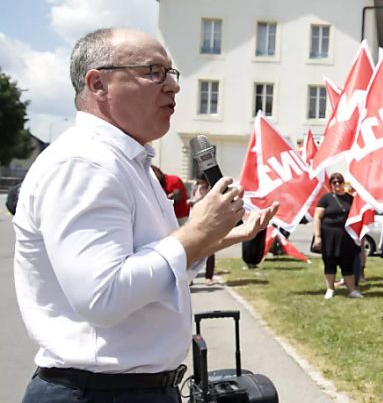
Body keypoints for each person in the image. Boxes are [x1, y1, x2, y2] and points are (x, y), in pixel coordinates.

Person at [14, 28, 277, 402]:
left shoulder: (127, 161)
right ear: (98, 83)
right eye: (154, 71)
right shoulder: (85, 162)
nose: (172, 86)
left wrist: (224, 232)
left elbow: (156, 263)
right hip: (98, 392)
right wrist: (196, 231)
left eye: (171, 73)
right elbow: (104, 296)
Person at [313, 173, 363, 299]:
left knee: (347, 263)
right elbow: (317, 217)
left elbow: (357, 218)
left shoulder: (350, 199)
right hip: (328, 236)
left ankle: (352, 290)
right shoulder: (326, 199)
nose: (337, 185)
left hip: (346, 237)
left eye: (339, 182)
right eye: (334, 182)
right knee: (329, 262)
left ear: (343, 183)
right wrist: (318, 236)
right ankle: (330, 289)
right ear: (330, 184)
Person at [188, 177, 217, 284]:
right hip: (194, 219)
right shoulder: (196, 187)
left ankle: (209, 277)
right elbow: (192, 197)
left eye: (201, 181)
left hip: (209, 220)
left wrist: (195, 201)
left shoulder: (212, 189)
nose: (200, 183)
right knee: (192, 248)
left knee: (210, 250)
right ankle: (190, 276)